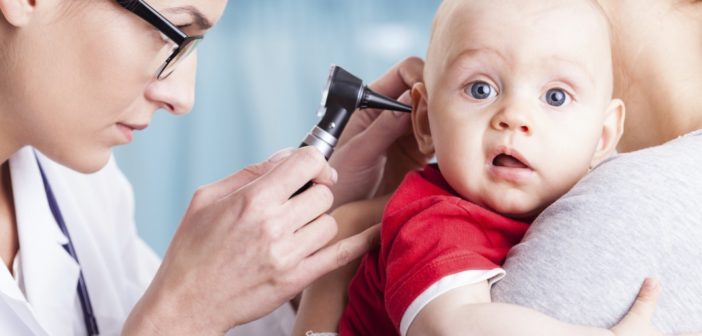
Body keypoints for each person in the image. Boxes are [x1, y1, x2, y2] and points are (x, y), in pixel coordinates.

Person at [0, 0, 424, 334]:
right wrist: (181, 317)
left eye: (196, 44)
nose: (182, 99)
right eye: (172, 34)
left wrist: (310, 235)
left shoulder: (81, 188)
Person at [297, 0, 702, 334]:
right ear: (424, 122)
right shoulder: (434, 218)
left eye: (556, 97)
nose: (514, 116)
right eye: (481, 89)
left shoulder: (600, 192)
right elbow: (455, 325)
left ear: (602, 137)